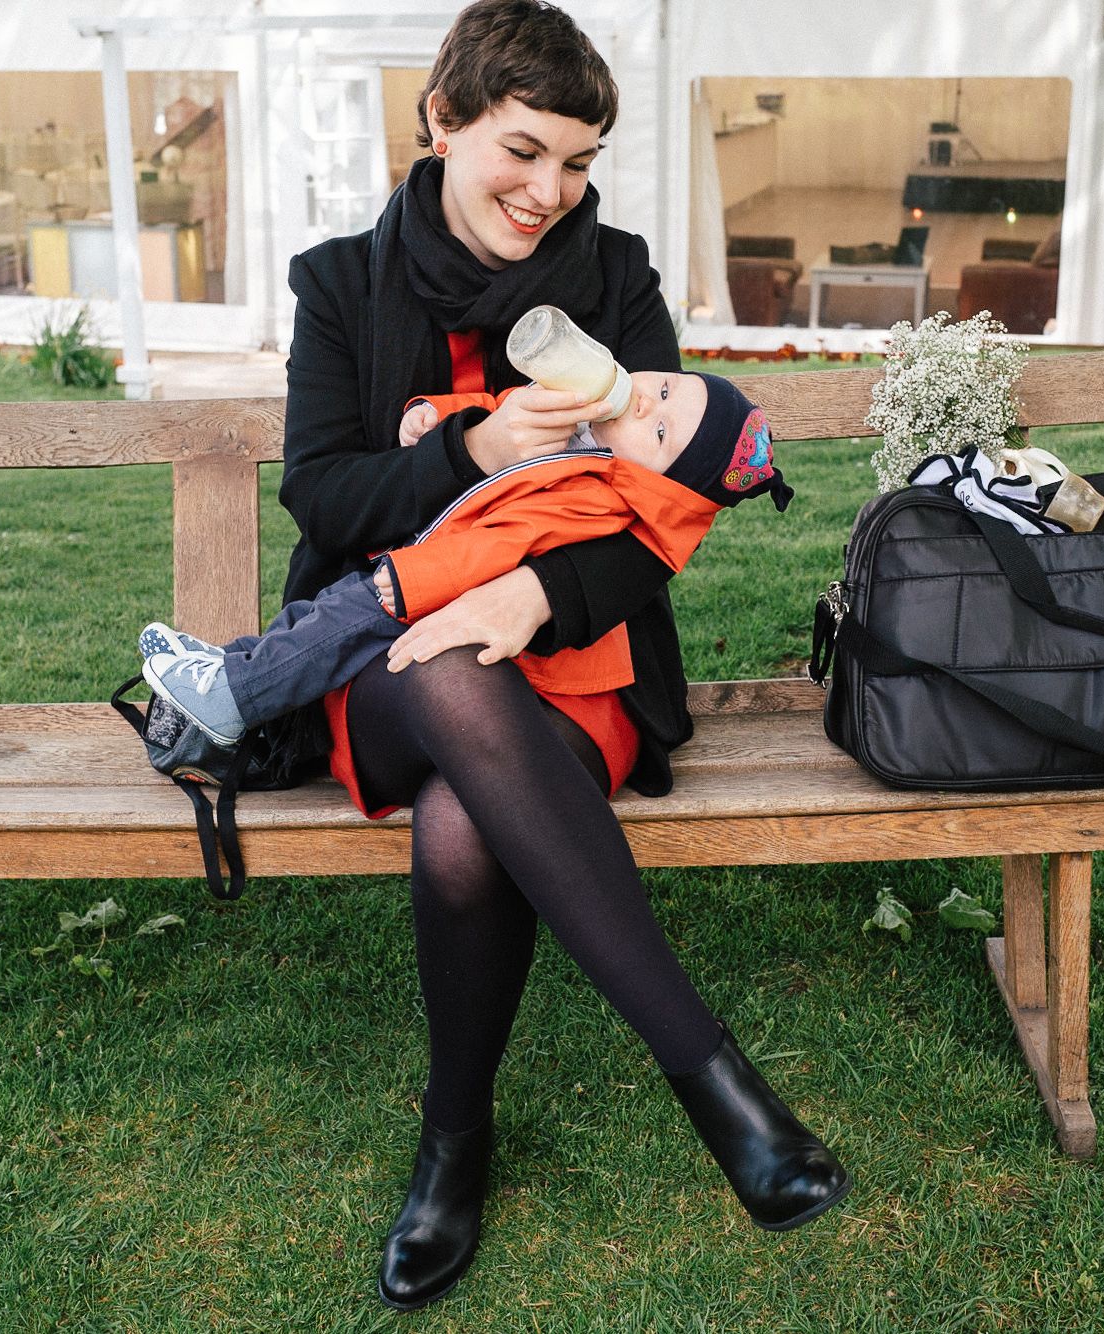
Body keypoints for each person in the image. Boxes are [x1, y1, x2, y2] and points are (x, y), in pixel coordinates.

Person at [267, 0, 848, 1312]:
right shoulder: (340, 284)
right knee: (451, 675)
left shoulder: (617, 277)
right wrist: (469, 456)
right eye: (522, 152)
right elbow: (324, 498)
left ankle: (453, 1148)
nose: (549, 192)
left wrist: (538, 592)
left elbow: (667, 509)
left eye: (578, 162)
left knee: (464, 836)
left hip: (577, 649)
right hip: (391, 647)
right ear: (443, 121)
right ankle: (721, 1088)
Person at [135, 370, 790, 751]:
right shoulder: (581, 421)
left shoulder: (599, 496)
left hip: (435, 590)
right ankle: (227, 667)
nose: (649, 403)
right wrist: (436, 417)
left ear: (661, 482)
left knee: (332, 628)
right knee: (315, 621)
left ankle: (231, 697)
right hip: (422, 569)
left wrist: (408, 583)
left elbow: (500, 548)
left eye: (661, 432)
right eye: (670, 390)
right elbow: (500, 409)